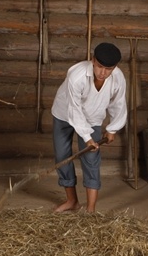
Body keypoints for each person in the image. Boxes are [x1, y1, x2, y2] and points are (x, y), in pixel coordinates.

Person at [51, 42, 128, 213]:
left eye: (109, 69)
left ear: (114, 67)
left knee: (91, 160)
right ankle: (72, 201)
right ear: (92, 60)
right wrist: (87, 138)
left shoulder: (118, 78)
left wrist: (112, 128)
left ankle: (90, 209)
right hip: (65, 114)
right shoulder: (76, 76)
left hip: (92, 117)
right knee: (63, 156)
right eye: (100, 67)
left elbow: (119, 104)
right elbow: (74, 110)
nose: (103, 73)